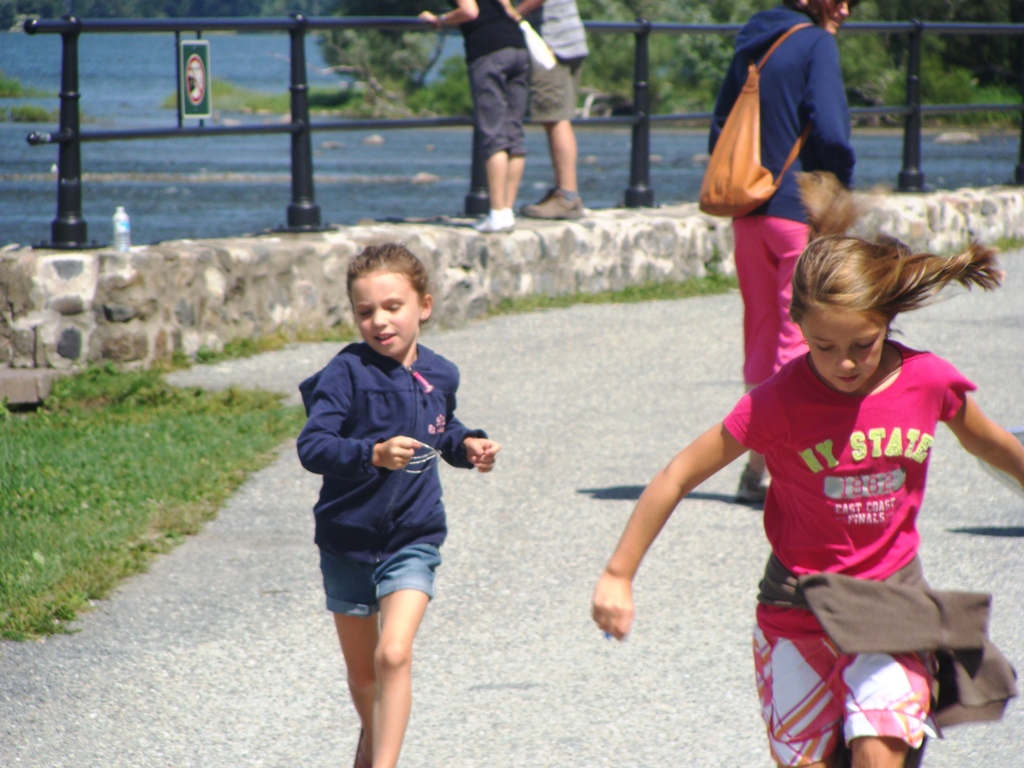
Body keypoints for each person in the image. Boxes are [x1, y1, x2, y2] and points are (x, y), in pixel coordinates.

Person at [592, 235, 1024, 768]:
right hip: (797, 607)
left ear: (887, 320)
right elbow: (676, 475)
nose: (845, 363)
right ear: (797, 325)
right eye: (823, 346)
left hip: (891, 604)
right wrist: (618, 573)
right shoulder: (779, 401)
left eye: (862, 344)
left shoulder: (926, 381)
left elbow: (990, 442)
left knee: (879, 747)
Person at [297, 244, 501, 768]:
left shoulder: (441, 374)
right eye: (366, 311)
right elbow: (313, 446)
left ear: (424, 306)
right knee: (364, 676)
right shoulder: (345, 372)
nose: (380, 321)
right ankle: (372, 743)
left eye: (393, 306)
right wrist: (372, 454)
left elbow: (442, 428)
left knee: (393, 654)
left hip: (413, 537)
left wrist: (468, 445)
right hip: (346, 539)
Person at [709, 0, 858, 503]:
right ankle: (783, 470)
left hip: (747, 208)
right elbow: (831, 129)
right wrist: (839, 186)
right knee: (799, 338)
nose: (846, 10)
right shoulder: (816, 44)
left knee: (761, 336)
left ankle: (756, 468)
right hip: (798, 209)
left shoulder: (751, 42)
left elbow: (720, 126)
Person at [421, 0, 529, 233]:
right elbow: (507, 7)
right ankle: (507, 211)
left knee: (494, 134)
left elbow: (469, 11)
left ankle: (497, 212)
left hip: (489, 50)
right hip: (518, 47)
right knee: (514, 134)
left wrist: (440, 20)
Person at [513, 0, 588, 220]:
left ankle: (566, 196)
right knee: (560, 118)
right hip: (570, 39)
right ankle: (564, 192)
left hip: (551, 46)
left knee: (555, 119)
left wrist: (514, 14)